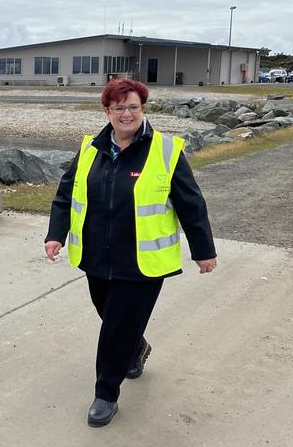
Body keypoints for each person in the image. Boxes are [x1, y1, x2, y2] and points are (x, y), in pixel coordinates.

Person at [44, 79, 217, 427]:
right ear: (107, 111)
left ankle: (106, 394)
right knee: (110, 315)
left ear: (143, 109)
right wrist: (55, 234)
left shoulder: (165, 150)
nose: (127, 114)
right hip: (97, 255)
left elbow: (191, 203)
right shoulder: (91, 148)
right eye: (119, 107)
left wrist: (203, 250)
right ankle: (136, 347)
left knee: (116, 327)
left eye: (133, 107)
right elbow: (67, 193)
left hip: (142, 262)